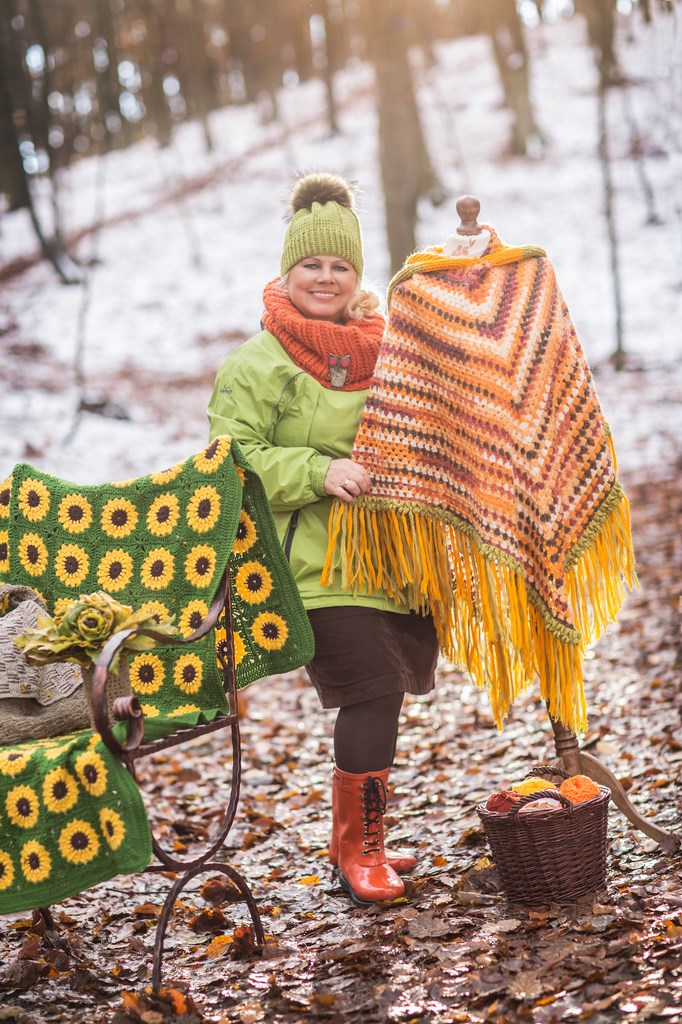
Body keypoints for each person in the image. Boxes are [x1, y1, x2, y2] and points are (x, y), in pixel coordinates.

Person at [207, 172, 439, 907]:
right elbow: (228, 462)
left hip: (385, 559)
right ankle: (355, 854)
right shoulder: (258, 363)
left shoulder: (382, 349)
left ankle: (364, 839)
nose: (327, 278)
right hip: (308, 563)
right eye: (313, 264)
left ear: (357, 276)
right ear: (287, 269)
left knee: (390, 694)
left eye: (342, 266)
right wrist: (315, 468)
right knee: (370, 690)